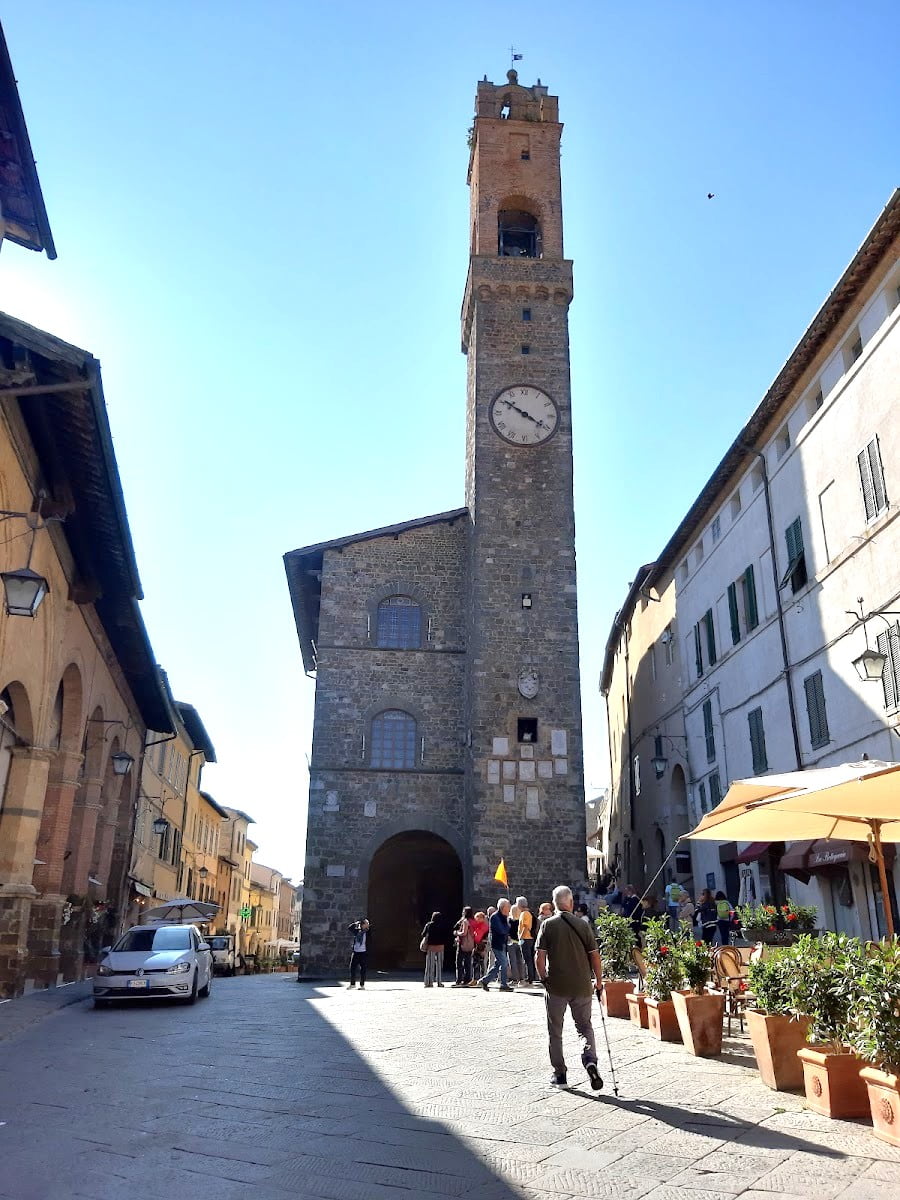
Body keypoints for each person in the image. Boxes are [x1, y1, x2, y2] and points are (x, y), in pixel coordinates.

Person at [535, 884, 604, 1090]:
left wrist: (544, 979)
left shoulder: (548, 925)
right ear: (571, 902)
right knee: (584, 1027)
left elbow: (539, 957)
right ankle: (590, 1059)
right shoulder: (583, 925)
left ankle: (560, 1075)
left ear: (554, 903)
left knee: (555, 1031)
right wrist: (598, 981)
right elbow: (594, 955)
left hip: (556, 986)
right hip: (582, 985)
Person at [480, 898, 512, 992]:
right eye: (508, 907)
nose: (509, 909)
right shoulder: (495, 917)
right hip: (497, 944)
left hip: (502, 943)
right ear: (503, 907)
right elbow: (501, 930)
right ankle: (503, 984)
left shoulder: (503, 916)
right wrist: (508, 926)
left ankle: (485, 980)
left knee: (498, 964)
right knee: (504, 963)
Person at [452, 906, 476, 986]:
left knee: (459, 962)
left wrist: (456, 933)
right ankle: (467, 979)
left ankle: (459, 979)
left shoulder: (465, 921)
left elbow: (464, 933)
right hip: (471, 943)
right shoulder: (473, 921)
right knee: (468, 962)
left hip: (463, 944)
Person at [421, 911, 446, 987]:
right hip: (440, 947)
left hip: (431, 947)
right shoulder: (442, 925)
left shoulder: (429, 925)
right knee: (439, 966)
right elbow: (446, 935)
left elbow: (423, 934)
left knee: (429, 966)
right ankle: (439, 982)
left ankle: (429, 982)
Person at [517, 896, 537, 984]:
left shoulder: (524, 914)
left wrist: (520, 937)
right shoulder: (529, 913)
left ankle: (530, 978)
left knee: (527, 959)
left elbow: (525, 926)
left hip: (526, 938)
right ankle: (531, 977)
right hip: (530, 938)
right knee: (529, 959)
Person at [347, 919, 370, 989]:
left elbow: (370, 942)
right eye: (366, 923)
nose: (368, 924)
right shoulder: (357, 931)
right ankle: (352, 984)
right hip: (356, 952)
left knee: (363, 969)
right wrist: (357, 923)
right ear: (362, 925)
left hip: (363, 952)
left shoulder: (368, 932)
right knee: (352, 968)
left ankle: (362, 985)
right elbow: (350, 928)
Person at [507, 904, 526, 986]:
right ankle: (522, 978)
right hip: (520, 942)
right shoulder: (520, 921)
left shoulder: (509, 921)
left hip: (511, 942)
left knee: (513, 961)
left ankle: (515, 979)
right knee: (520, 961)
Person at [470, 910, 489, 984]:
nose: (476, 919)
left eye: (477, 917)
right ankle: (476, 979)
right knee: (476, 963)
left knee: (480, 963)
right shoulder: (478, 926)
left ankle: (480, 979)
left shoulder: (484, 927)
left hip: (481, 947)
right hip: (478, 947)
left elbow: (478, 937)